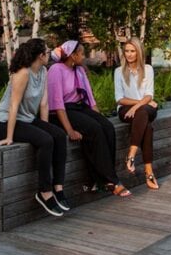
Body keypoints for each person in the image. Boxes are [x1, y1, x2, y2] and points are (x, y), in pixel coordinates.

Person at [0, 38, 70, 217]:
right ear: (40, 55)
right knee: (45, 141)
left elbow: (44, 104)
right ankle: (44, 192)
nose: (50, 53)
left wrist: (45, 127)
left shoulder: (43, 70)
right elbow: (13, 105)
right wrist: (9, 137)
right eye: (47, 51)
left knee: (58, 135)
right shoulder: (23, 73)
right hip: (5, 122)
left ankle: (58, 187)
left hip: (26, 119)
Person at [49, 40, 131, 197]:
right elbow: (57, 103)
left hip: (79, 108)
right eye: (81, 53)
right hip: (61, 112)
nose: (84, 56)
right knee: (94, 129)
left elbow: (90, 100)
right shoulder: (56, 70)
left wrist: (99, 117)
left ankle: (101, 179)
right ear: (73, 55)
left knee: (107, 127)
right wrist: (70, 130)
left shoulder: (78, 70)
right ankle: (112, 181)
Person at [114, 37, 159, 190]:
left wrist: (139, 105)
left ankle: (131, 155)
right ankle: (149, 171)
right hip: (127, 109)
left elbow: (149, 94)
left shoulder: (148, 69)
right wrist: (137, 104)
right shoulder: (118, 72)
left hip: (144, 109)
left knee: (143, 113)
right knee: (147, 126)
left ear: (139, 52)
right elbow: (119, 99)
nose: (129, 54)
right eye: (127, 51)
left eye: (132, 51)